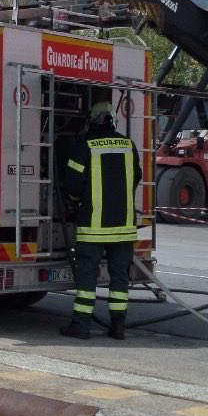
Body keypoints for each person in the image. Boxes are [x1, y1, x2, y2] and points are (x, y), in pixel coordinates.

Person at [59, 100, 142, 340]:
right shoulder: (129, 145)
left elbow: (72, 183)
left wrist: (76, 201)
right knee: (119, 279)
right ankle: (119, 327)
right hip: (124, 228)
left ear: (91, 122)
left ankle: (81, 325)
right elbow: (136, 177)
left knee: (87, 278)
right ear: (113, 120)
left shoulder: (84, 145)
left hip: (93, 227)